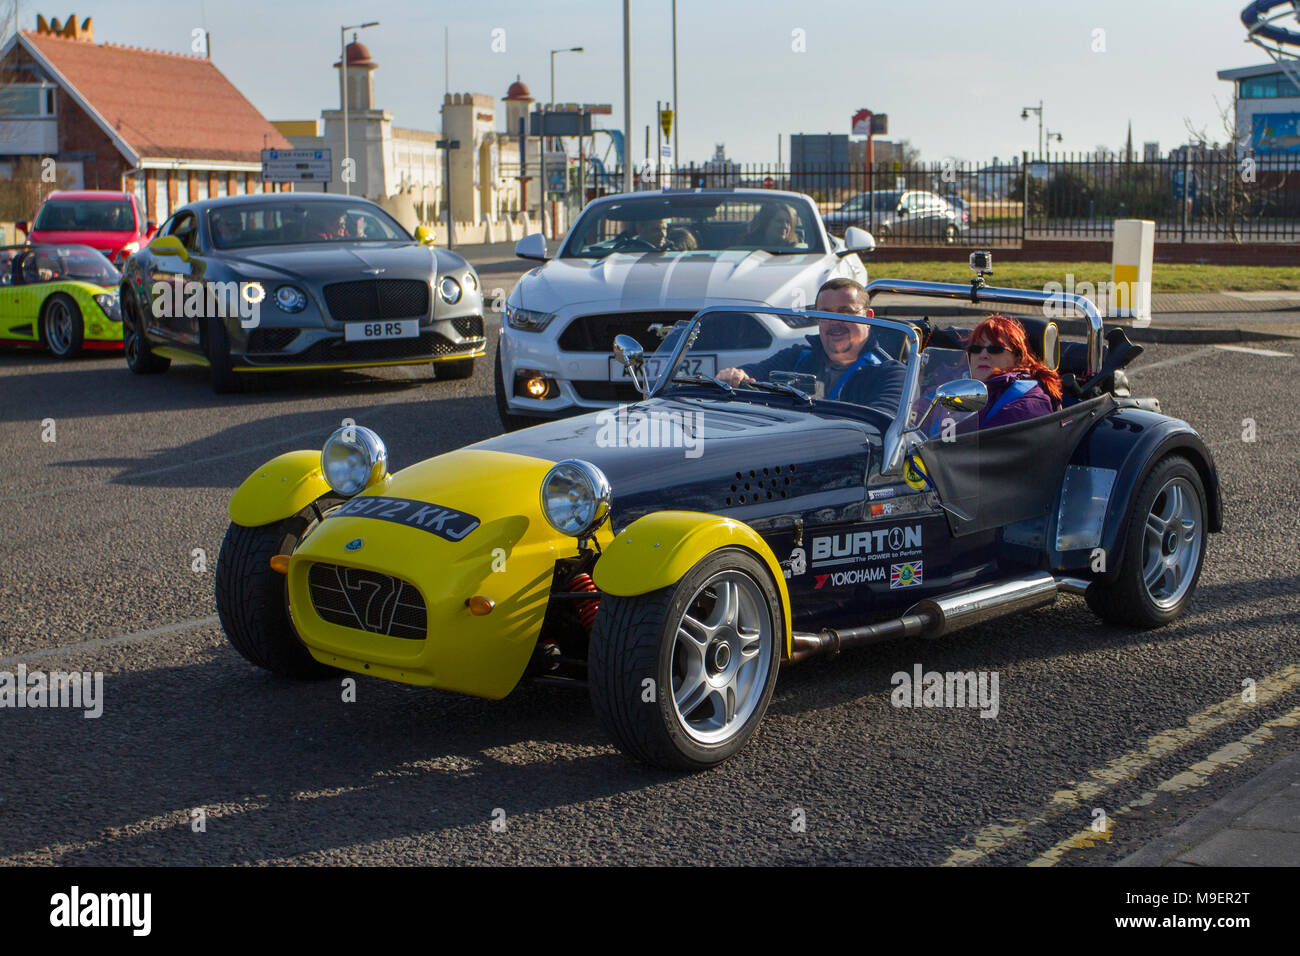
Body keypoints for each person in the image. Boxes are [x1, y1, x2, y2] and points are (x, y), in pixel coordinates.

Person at [715, 277, 906, 413]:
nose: (834, 322)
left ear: (868, 317)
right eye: (825, 314)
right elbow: (753, 373)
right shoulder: (798, 357)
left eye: (845, 313)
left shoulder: (891, 373)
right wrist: (734, 376)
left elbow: (881, 420)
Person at [960, 314, 1061, 429]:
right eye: (976, 348)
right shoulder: (948, 384)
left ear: (1017, 358)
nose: (983, 355)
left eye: (995, 349)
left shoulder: (1028, 401)